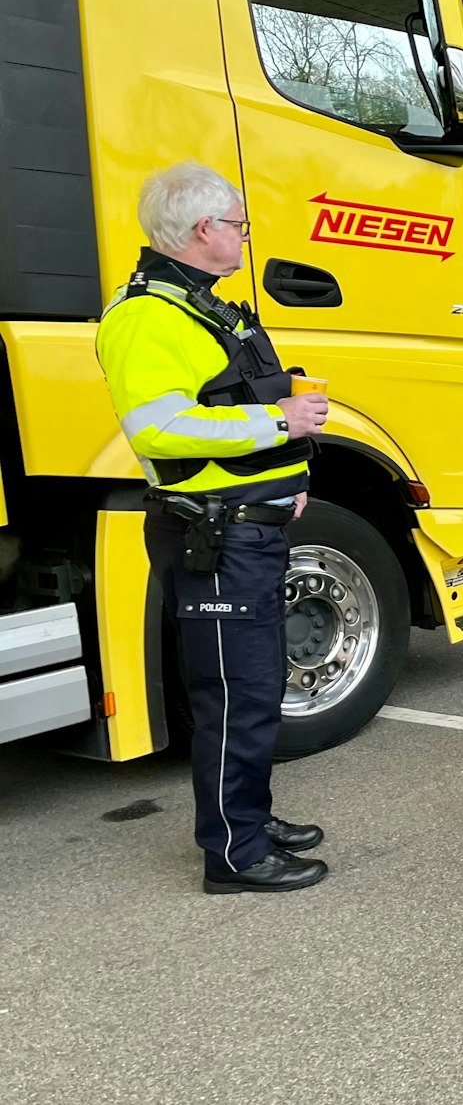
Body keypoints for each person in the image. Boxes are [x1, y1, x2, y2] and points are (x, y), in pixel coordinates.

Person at [96, 162, 328, 893]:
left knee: (254, 688)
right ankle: (235, 853)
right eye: (237, 223)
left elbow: (227, 408)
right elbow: (161, 429)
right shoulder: (145, 317)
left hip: (244, 527)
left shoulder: (202, 308)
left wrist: (282, 482)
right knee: (235, 693)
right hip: (214, 536)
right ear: (203, 230)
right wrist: (278, 421)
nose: (243, 236)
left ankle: (247, 818)